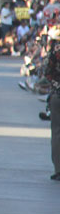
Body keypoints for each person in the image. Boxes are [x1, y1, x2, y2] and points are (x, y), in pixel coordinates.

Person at [43, 30, 60, 182]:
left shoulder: (56, 50)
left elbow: (47, 72)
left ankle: (58, 169)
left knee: (56, 133)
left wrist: (56, 85)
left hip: (57, 94)